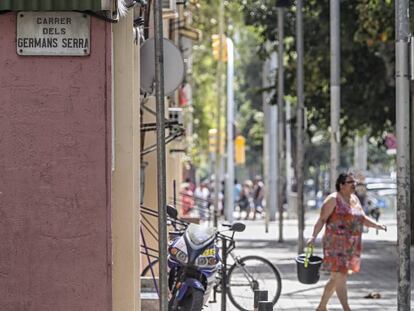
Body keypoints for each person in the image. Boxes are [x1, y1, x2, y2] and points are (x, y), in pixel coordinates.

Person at [307, 172, 387, 311]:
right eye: (350, 182)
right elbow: (321, 219)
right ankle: (346, 309)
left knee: (336, 277)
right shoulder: (333, 199)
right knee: (340, 276)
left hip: (350, 246)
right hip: (335, 245)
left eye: (354, 182)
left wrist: (377, 225)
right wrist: (313, 236)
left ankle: (321, 307)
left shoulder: (354, 199)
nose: (354, 185)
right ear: (341, 185)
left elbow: (362, 218)